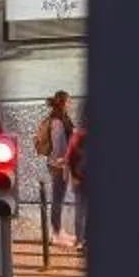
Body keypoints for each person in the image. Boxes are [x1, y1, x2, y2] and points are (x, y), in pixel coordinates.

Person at [35, 90, 81, 247]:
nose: (71, 104)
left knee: (58, 199)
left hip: (60, 164)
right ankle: (56, 233)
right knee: (57, 199)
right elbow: (58, 145)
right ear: (63, 103)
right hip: (58, 165)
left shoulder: (62, 118)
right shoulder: (58, 122)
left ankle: (59, 230)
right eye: (69, 101)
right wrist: (63, 162)